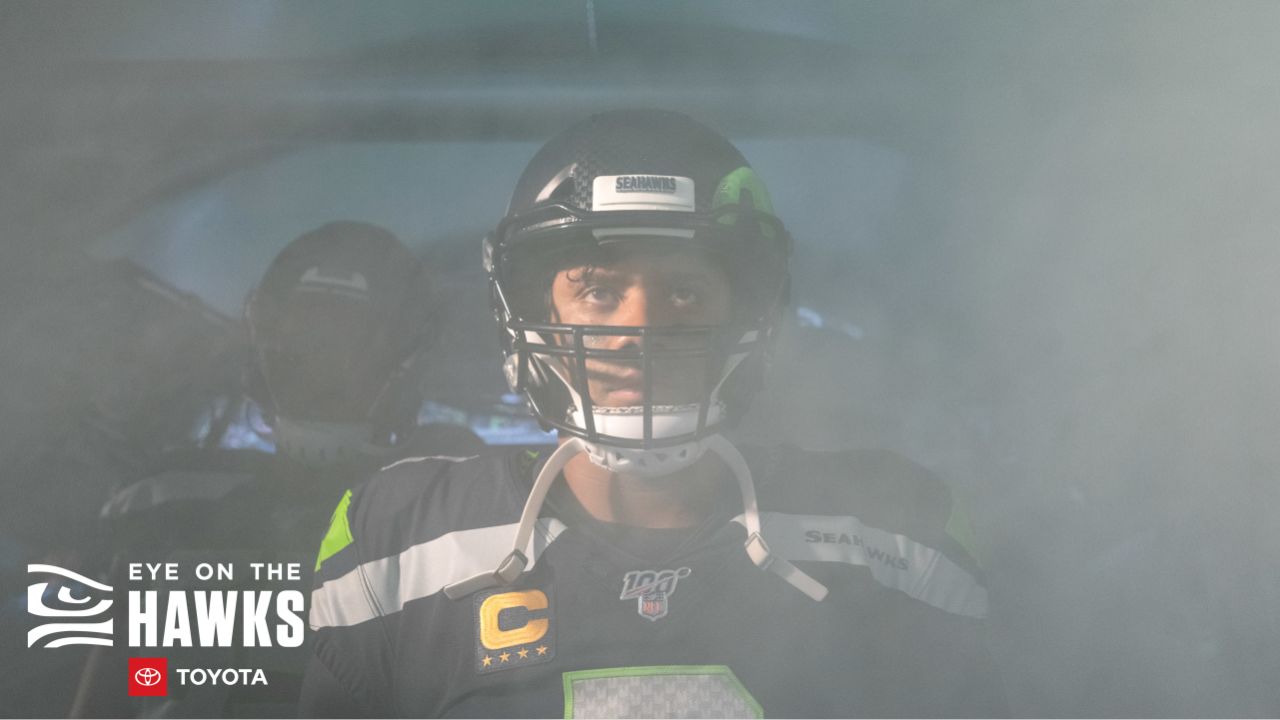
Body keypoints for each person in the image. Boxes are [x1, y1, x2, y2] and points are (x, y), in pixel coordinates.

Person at [301, 110, 1006, 717]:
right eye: (600, 292)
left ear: (748, 315)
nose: (641, 336)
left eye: (686, 293)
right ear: (533, 313)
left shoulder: (896, 531)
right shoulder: (396, 539)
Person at [72, 221, 482, 718]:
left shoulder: (461, 511)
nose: (318, 367)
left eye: (344, 344)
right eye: (304, 337)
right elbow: (128, 682)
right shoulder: (167, 505)